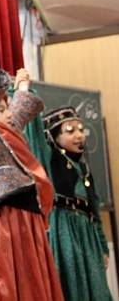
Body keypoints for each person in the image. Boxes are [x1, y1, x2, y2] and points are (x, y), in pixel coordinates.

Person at [0, 66, 63, 300]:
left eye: (7, 108)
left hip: (26, 220)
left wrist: (22, 87)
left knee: (32, 285)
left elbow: (20, 112)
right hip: (1, 221)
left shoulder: (9, 135)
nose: (7, 114)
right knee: (4, 284)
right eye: (0, 110)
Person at [42, 105, 112, 300]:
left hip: (88, 237)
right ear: (53, 137)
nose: (79, 135)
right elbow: (37, 139)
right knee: (73, 287)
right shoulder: (50, 162)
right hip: (64, 233)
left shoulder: (84, 169)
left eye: (81, 130)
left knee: (97, 289)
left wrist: (103, 247)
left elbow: (94, 212)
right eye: (70, 131)